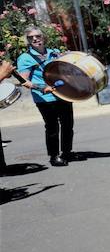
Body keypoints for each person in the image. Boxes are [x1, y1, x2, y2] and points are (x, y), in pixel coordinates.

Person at [14, 26, 76, 167]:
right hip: (44, 98)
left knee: (68, 125)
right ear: (28, 41)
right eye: (31, 37)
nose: (35, 39)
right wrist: (42, 88)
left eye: (38, 36)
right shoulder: (25, 58)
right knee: (52, 127)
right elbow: (24, 81)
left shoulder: (54, 53)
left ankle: (66, 152)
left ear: (44, 37)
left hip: (63, 94)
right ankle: (54, 156)